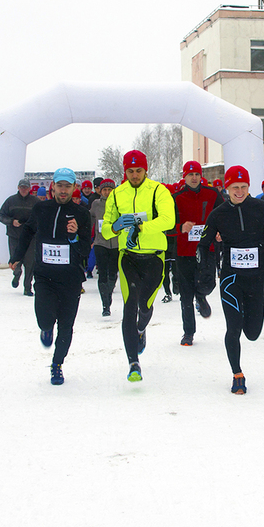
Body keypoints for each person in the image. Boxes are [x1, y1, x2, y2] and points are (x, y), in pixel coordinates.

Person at [197, 166, 264, 394]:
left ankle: (246, 315)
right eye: (235, 187)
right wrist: (206, 273)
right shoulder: (218, 213)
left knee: (253, 333)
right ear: (227, 188)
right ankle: (237, 374)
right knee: (233, 328)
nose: (239, 191)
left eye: (244, 187)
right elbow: (203, 244)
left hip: (256, 278)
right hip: (231, 279)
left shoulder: (262, 208)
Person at [9, 168, 91, 386]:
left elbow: (85, 250)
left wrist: (74, 236)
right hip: (45, 276)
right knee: (44, 318)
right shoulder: (41, 208)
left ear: (75, 188)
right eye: (60, 185)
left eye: (68, 186)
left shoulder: (82, 214)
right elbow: (27, 232)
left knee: (66, 325)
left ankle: (57, 365)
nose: (63, 191)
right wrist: (17, 256)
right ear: (53, 186)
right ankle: (46, 328)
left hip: (71, 278)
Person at [101, 149, 176, 383]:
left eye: (139, 171)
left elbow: (168, 220)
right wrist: (115, 227)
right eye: (130, 171)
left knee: (144, 306)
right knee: (129, 305)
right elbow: (105, 228)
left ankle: (141, 328)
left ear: (146, 170)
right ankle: (133, 362)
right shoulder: (116, 194)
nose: (135, 175)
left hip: (154, 257)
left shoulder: (157, 190)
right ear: (125, 171)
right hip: (128, 257)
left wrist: (140, 227)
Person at [172, 160, 223, 345]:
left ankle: (201, 295)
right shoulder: (176, 197)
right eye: (190, 174)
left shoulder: (212, 194)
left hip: (206, 248)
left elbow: (223, 215)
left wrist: (219, 232)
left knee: (208, 284)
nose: (194, 178)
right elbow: (167, 226)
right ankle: (188, 333)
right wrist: (180, 227)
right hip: (184, 251)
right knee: (185, 294)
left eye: (197, 174)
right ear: (184, 177)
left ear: (201, 176)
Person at [0, 179, 39, 296]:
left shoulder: (35, 202)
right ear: (18, 187)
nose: (24, 189)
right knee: (15, 261)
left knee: (30, 263)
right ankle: (16, 274)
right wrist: (11, 222)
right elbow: (1, 215)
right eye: (22, 187)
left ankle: (27, 287)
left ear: (29, 188)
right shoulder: (10, 201)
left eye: (26, 187)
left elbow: (42, 217)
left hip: (31, 237)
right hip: (14, 236)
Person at [89, 179, 119, 316]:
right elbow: (90, 220)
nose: (107, 192)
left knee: (112, 273)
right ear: (100, 191)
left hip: (116, 244)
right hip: (100, 243)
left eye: (109, 190)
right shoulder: (96, 204)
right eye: (104, 190)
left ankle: (109, 294)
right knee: (102, 272)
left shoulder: (119, 203)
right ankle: (105, 304)